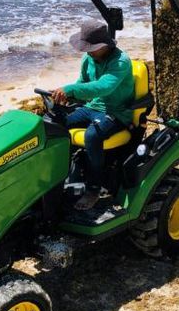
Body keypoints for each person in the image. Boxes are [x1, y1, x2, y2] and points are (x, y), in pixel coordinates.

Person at [52, 20, 134, 210]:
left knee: (92, 135)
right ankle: (59, 176)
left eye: (92, 48)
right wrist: (66, 98)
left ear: (104, 45)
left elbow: (104, 87)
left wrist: (70, 89)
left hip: (116, 112)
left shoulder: (120, 61)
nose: (88, 51)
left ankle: (93, 188)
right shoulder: (88, 59)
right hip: (92, 107)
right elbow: (83, 82)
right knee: (55, 122)